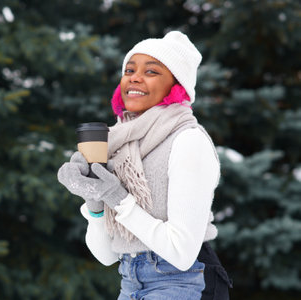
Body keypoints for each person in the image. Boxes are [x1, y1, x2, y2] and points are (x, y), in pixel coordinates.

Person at [58, 31, 232, 300]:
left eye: (151, 71)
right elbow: (106, 256)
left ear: (177, 86)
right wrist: (93, 200)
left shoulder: (188, 141)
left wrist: (117, 197)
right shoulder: (121, 145)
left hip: (184, 281)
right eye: (129, 69)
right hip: (130, 281)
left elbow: (181, 253)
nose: (135, 77)